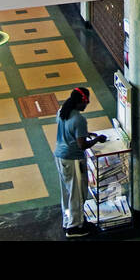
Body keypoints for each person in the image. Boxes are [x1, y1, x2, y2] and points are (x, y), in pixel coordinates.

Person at [54, 86, 106, 237]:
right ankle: (75, 227)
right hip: (73, 160)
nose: (86, 105)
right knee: (77, 193)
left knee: (67, 191)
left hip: (60, 156)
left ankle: (68, 220)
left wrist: (84, 133)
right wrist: (97, 139)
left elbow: (69, 130)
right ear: (81, 101)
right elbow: (82, 145)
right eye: (86, 102)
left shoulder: (62, 111)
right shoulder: (79, 119)